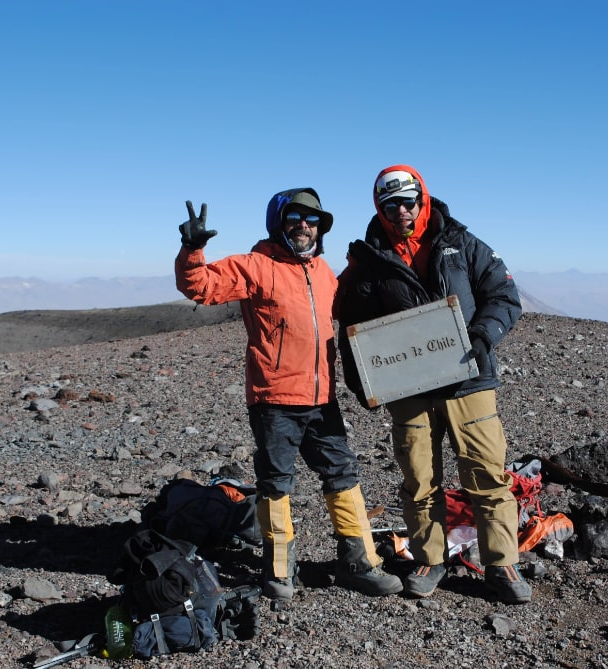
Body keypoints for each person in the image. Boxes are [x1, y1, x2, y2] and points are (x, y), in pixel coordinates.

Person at [174, 188, 402, 601]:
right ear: (279, 221)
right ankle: (279, 572)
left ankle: (358, 562)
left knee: (343, 474)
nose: (304, 225)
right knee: (276, 483)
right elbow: (199, 286)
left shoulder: (322, 270)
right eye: (295, 217)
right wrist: (192, 249)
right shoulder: (256, 264)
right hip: (275, 398)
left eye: (312, 219)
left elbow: (346, 307)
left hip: (322, 397)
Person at [334, 165, 531, 604]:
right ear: (379, 209)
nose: (401, 211)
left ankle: (501, 562)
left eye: (408, 201)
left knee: (487, 473)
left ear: (422, 197)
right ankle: (429, 558)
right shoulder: (369, 260)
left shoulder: (460, 243)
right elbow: (353, 327)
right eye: (391, 205)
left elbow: (504, 296)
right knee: (418, 477)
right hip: (410, 390)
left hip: (470, 381)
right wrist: (362, 382)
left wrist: (481, 337)